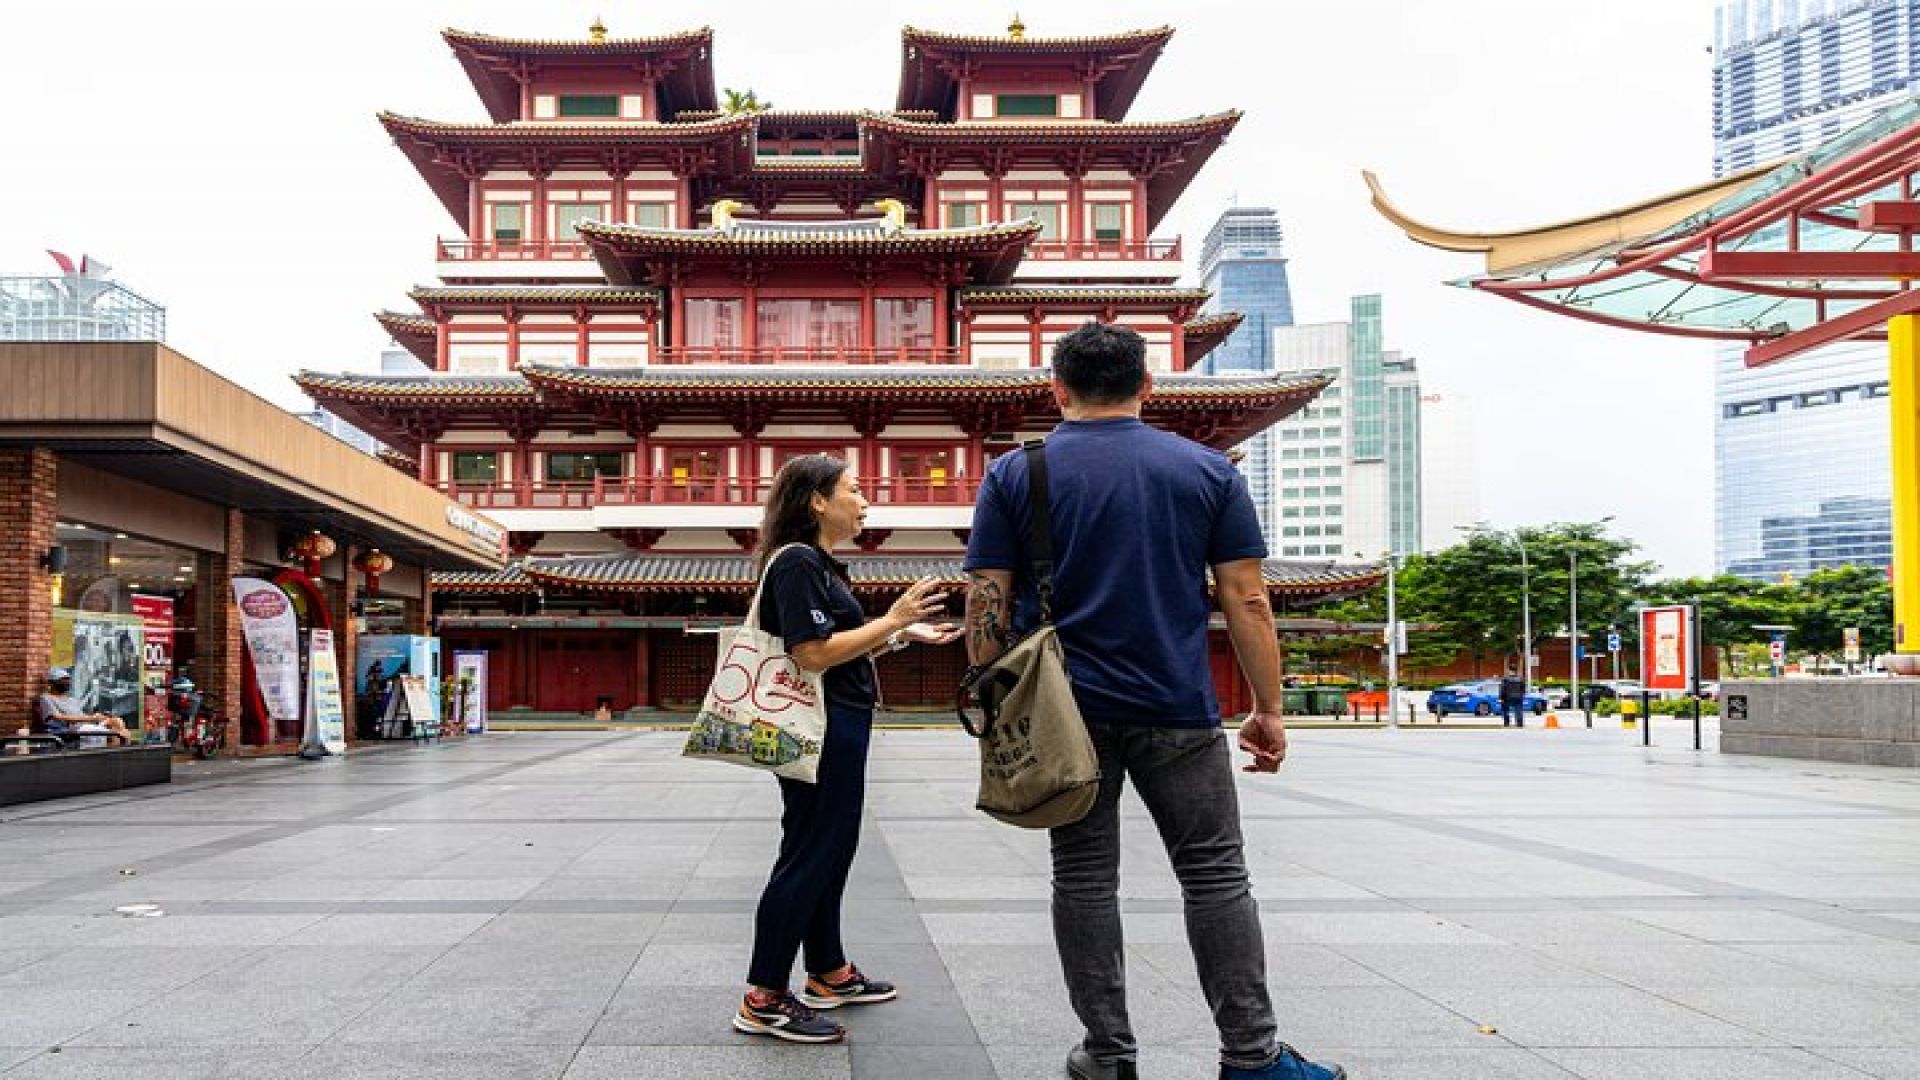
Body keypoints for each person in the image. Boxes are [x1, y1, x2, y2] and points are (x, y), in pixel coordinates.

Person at [964, 322, 1345, 1080]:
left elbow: (986, 600)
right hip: (1179, 706)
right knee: (1215, 876)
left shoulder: (1015, 473)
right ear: (1148, 387)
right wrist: (1269, 709)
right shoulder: (1206, 470)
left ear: (1057, 390)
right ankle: (1252, 1057)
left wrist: (998, 708)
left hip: (1064, 715)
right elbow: (1248, 599)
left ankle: (1107, 1054)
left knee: (1082, 878)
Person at [734, 453, 961, 1044]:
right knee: (810, 852)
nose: (864, 503)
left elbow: (838, 651)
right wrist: (892, 618)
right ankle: (763, 995)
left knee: (831, 849)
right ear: (816, 500)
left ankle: (828, 970)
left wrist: (900, 632)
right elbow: (811, 653)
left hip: (839, 722)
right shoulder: (798, 563)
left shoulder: (823, 566)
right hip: (821, 729)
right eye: (854, 491)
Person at [33, 667, 130, 746]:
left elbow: (81, 714)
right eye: (63, 680)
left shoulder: (71, 699)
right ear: (52, 683)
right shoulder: (46, 698)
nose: (66, 683)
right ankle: (112, 761)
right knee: (117, 734)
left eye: (68, 680)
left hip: (86, 724)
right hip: (74, 728)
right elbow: (57, 717)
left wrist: (97, 717)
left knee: (118, 723)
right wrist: (91, 718)